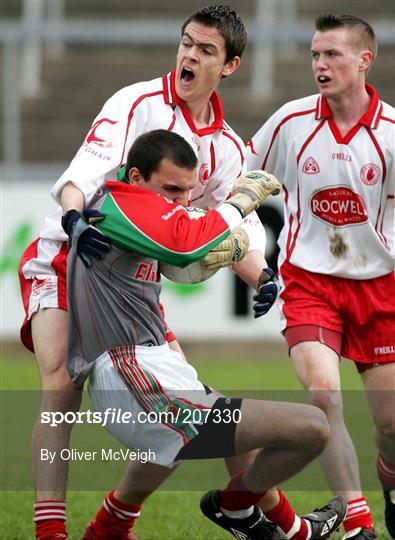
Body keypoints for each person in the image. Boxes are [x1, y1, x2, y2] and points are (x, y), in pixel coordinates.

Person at [18, 6, 278, 539]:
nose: (189, 56)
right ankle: (49, 532)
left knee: (193, 405)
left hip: (135, 284)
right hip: (72, 257)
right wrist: (72, 219)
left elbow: (220, 231)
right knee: (62, 385)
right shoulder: (136, 102)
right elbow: (80, 178)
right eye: (187, 43)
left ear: (229, 66)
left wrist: (263, 275)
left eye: (206, 50)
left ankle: (121, 521)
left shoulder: (227, 147)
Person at [64, 128, 345, 540]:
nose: (180, 203)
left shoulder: (137, 209)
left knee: (220, 440)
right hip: (131, 374)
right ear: (137, 176)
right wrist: (239, 203)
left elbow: (182, 260)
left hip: (147, 367)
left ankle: (109, 530)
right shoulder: (120, 204)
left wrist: (231, 256)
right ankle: (234, 507)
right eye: (170, 190)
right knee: (313, 428)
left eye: (187, 193)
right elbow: (184, 246)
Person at [247, 14, 395, 540]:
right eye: (314, 55)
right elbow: (242, 176)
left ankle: (389, 478)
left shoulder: (392, 133)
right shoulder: (291, 121)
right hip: (309, 282)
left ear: (363, 60)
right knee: (323, 394)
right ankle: (357, 523)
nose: (320, 65)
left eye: (331, 55)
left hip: (379, 288)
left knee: (390, 426)